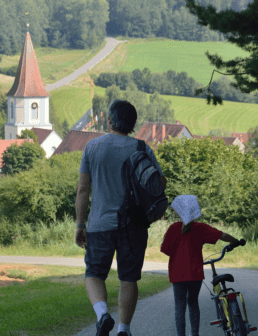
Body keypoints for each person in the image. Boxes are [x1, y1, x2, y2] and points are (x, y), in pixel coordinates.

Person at [75, 100, 165, 336]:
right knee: (129, 277)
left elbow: (83, 190)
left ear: (109, 120)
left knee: (94, 274)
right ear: (133, 124)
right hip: (133, 226)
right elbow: (160, 183)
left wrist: (80, 225)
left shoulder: (92, 147)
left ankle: (103, 314)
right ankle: (124, 329)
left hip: (99, 225)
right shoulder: (142, 148)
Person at [160, 195, 242, 336]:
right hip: (194, 274)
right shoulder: (200, 228)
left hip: (177, 274)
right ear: (194, 213)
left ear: (179, 211)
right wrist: (234, 241)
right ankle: (195, 334)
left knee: (179, 306)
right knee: (193, 304)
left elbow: (165, 250)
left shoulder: (173, 229)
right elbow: (222, 235)